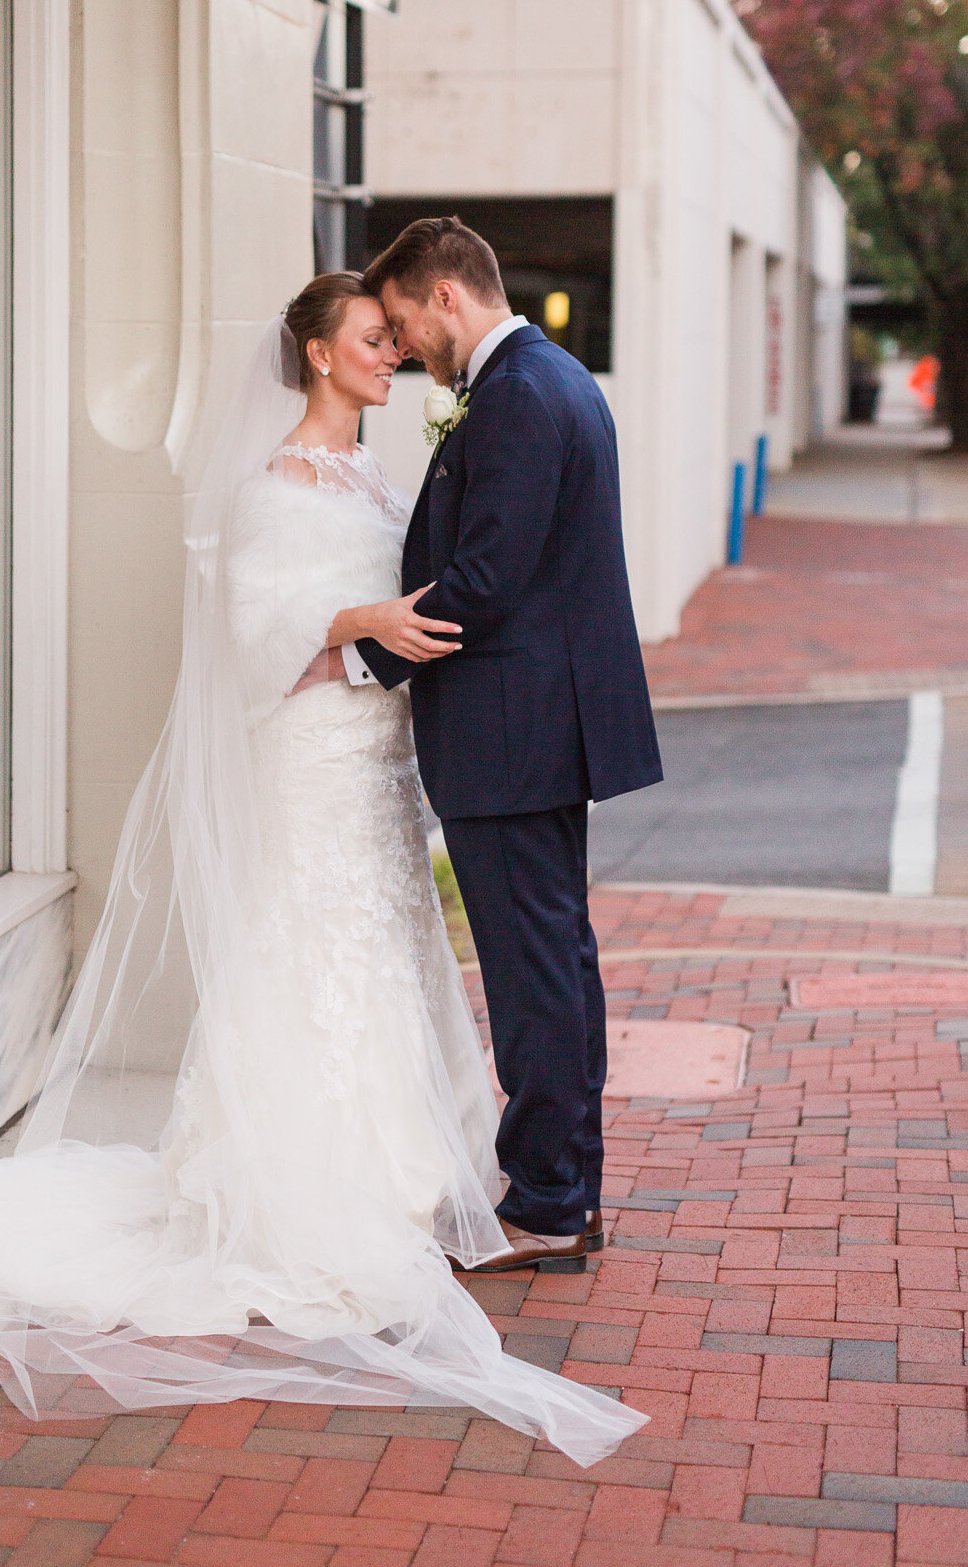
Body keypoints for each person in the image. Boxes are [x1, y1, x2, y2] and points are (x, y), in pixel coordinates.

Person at [0, 272, 647, 1466]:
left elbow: (444, 590)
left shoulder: (382, 477)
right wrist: (359, 625)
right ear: (314, 355)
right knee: (317, 952)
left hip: (385, 765)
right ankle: (309, 1186)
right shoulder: (267, 489)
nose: (392, 353)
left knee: (396, 955)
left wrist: (392, 639)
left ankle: (432, 1175)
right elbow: (257, 639)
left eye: (396, 337)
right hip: (312, 756)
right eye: (371, 338)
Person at [353, 217, 663, 1273]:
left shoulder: (520, 394)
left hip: (517, 726)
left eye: (402, 322)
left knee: (536, 970)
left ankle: (549, 1201)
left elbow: (486, 579)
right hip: (536, 719)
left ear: (447, 297)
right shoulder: (546, 377)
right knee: (554, 960)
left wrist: (363, 654)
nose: (403, 350)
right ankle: (562, 1183)